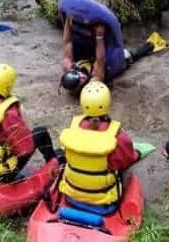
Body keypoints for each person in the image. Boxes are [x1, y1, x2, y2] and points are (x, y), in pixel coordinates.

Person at [57, 0, 168, 91]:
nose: (82, 77)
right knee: (128, 56)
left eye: (79, 76)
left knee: (82, 49)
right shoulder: (94, 80)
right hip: (108, 67)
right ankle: (152, 45)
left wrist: (67, 20)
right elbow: (101, 60)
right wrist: (99, 36)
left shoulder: (68, 67)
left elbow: (68, 42)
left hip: (89, 58)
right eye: (81, 81)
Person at [57, 81, 139, 209]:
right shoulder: (116, 136)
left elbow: (66, 153)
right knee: (126, 169)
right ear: (107, 103)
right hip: (104, 199)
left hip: (72, 194)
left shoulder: (72, 128)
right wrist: (136, 154)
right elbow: (126, 160)